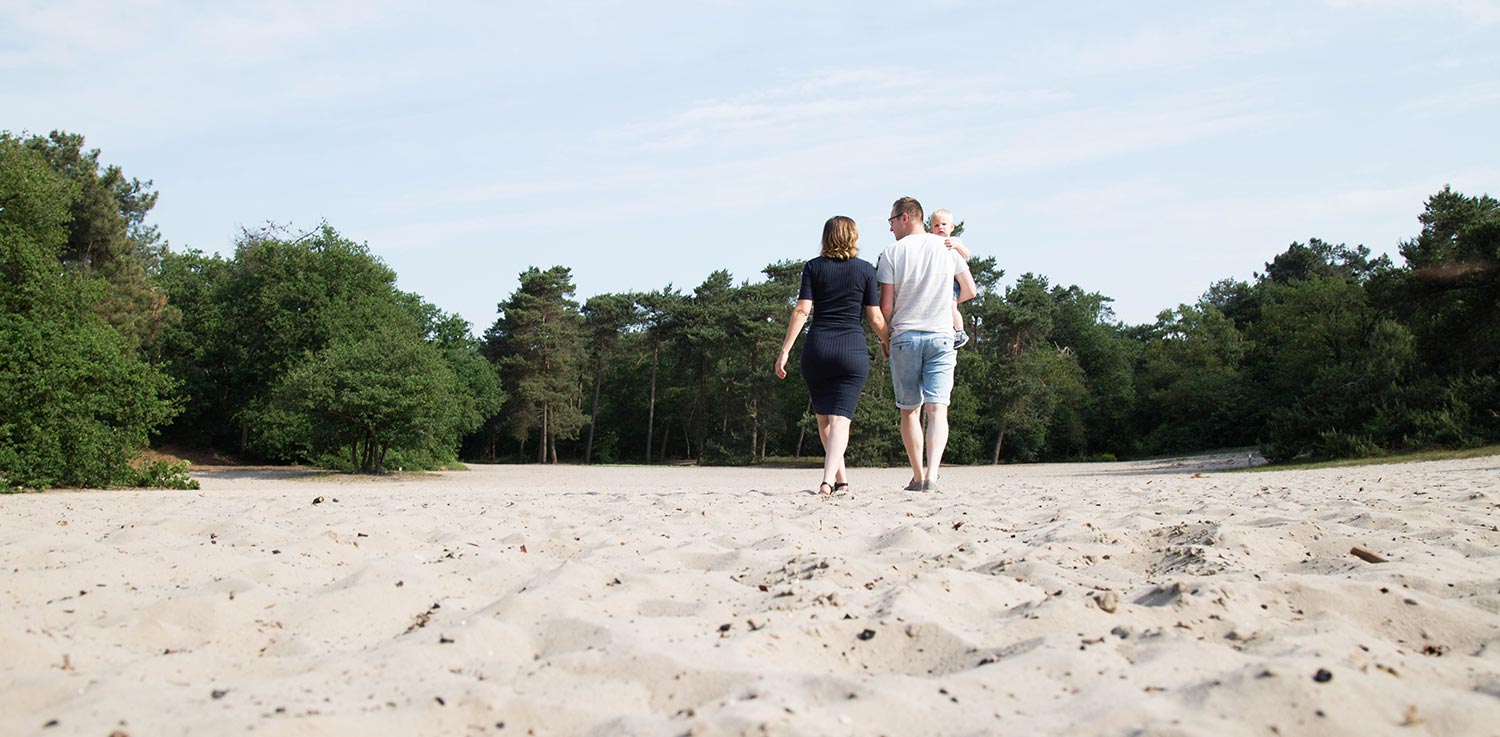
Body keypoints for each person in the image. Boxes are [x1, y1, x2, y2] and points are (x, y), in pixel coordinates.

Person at [775, 216, 889, 495]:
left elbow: (802, 310)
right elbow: (875, 317)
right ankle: (828, 480)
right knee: (840, 420)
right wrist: (887, 341)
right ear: (853, 237)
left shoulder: (813, 267)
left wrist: (785, 350)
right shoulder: (864, 270)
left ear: (826, 237)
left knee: (824, 419)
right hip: (851, 351)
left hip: (818, 350)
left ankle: (842, 481)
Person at [877, 197, 977, 492]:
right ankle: (933, 475)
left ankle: (918, 475)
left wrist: (885, 339)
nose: (891, 228)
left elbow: (886, 307)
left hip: (905, 336)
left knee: (910, 410)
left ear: (905, 218)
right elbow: (970, 290)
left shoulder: (892, 252)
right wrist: (945, 301)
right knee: (938, 409)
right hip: (942, 334)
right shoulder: (946, 247)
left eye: (892, 221)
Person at [928, 209, 971, 348]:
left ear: (952, 227)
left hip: (952, 281)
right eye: (936, 225)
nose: (940, 227)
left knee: (952, 306)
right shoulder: (931, 242)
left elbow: (966, 255)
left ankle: (960, 331)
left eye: (944, 224)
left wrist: (957, 246)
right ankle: (951, 330)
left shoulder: (954, 241)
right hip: (938, 279)